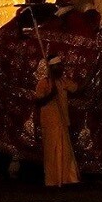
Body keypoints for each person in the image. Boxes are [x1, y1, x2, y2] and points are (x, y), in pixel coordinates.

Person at [32, 56, 79, 187]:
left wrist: (92, 74)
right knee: (52, 153)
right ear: (51, 68)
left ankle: (66, 179)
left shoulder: (64, 81)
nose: (60, 68)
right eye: (56, 66)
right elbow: (38, 101)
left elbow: (77, 89)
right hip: (50, 123)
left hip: (63, 122)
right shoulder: (43, 83)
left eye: (60, 66)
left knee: (65, 152)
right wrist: (51, 95)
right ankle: (53, 181)